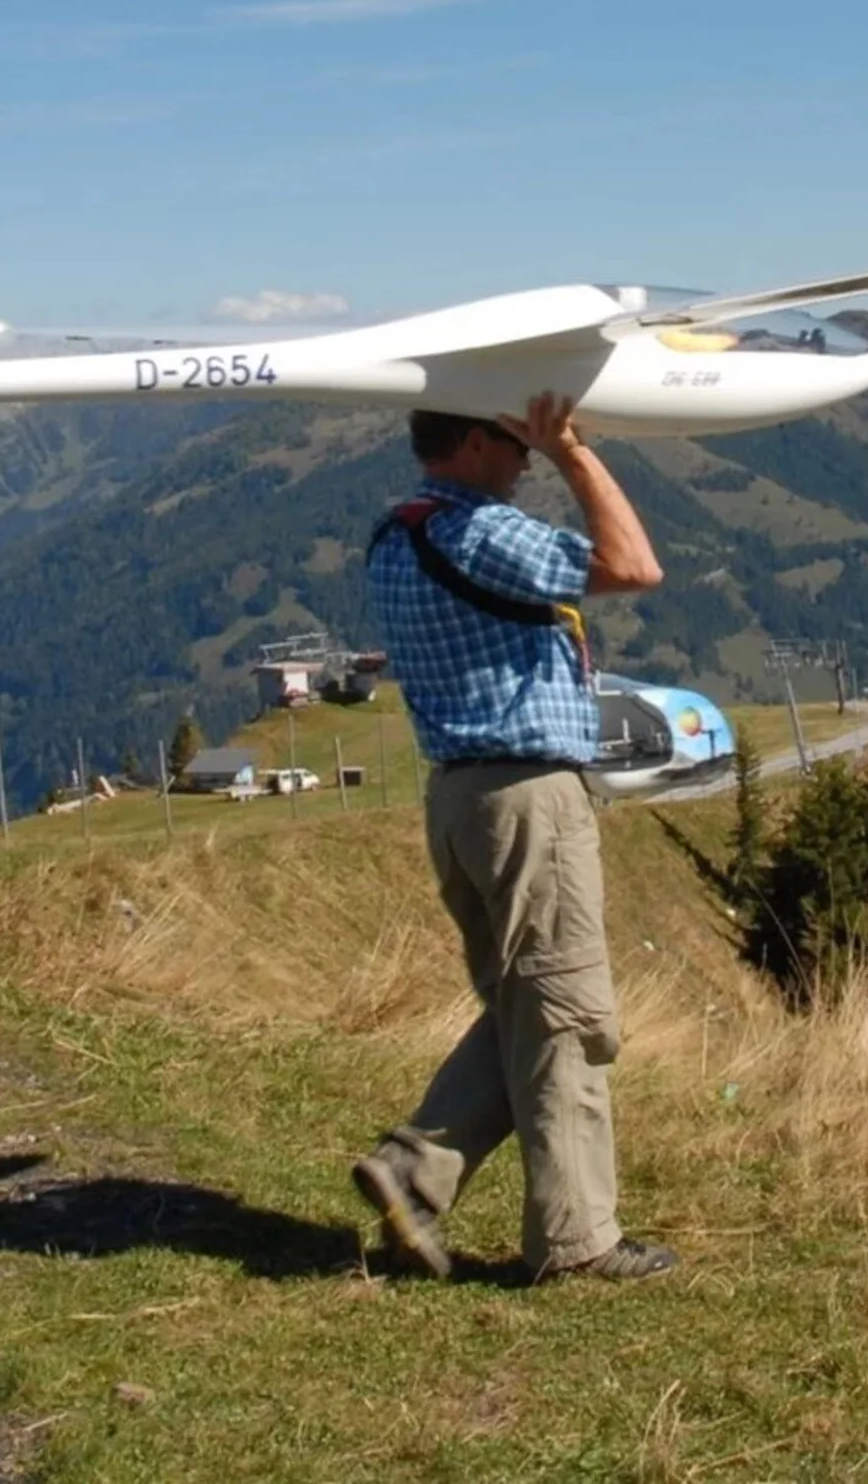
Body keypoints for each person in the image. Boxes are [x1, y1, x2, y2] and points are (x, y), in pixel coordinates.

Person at [350, 392, 677, 1284]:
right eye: (512, 440)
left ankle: (412, 1174)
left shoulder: (396, 533)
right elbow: (634, 565)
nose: (523, 458)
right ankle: (577, 1242)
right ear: (469, 440)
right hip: (527, 796)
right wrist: (573, 449)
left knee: (522, 1010)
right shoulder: (482, 532)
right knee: (568, 1014)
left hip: (458, 799)